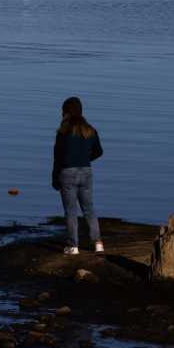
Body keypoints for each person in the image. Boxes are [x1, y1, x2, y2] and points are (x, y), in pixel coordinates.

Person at [51, 95, 104, 255]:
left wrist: (55, 178)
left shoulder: (63, 131)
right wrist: (85, 159)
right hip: (86, 172)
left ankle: (73, 246)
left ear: (66, 112)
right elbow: (99, 151)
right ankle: (98, 243)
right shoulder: (90, 130)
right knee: (89, 209)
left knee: (71, 211)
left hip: (67, 173)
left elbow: (58, 157)